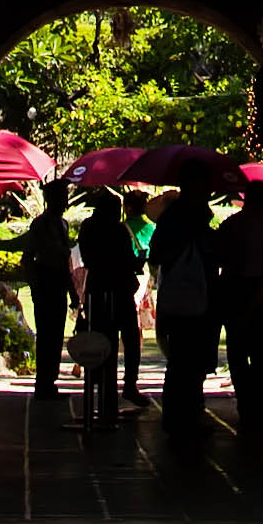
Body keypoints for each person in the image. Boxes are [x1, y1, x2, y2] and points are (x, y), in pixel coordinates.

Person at [151, 177, 222, 465]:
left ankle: (185, 414)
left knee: (186, 361)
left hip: (190, 299)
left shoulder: (176, 220)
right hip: (189, 299)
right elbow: (159, 255)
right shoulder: (182, 222)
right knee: (185, 361)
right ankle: (183, 416)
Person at [75, 177, 144, 412]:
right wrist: (137, 261)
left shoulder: (88, 228)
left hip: (98, 287)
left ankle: (105, 384)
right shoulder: (116, 231)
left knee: (105, 338)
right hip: (118, 289)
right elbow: (126, 260)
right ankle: (127, 384)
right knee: (128, 338)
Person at [19, 181, 74, 408]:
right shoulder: (41, 225)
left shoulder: (62, 224)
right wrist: (35, 286)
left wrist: (72, 291)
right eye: (62, 197)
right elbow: (29, 257)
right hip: (46, 284)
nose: (65, 202)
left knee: (55, 336)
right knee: (46, 337)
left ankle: (50, 381)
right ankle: (43, 383)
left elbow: (64, 262)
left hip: (59, 284)